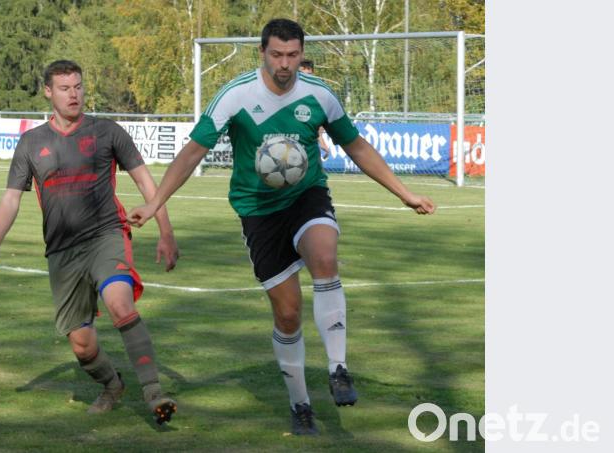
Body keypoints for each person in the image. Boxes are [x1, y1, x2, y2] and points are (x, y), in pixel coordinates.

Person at [127, 19, 435, 435]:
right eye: (277, 55)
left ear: (300, 54)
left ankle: (338, 367)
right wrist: (154, 202)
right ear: (262, 53)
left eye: (292, 56)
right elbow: (192, 152)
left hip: (306, 197)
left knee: (325, 257)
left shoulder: (320, 95)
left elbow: (357, 146)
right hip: (259, 212)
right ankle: (300, 404)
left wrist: (404, 193)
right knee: (288, 315)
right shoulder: (235, 95)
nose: (285, 64)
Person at [0, 60, 180, 425]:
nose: (74, 94)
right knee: (82, 344)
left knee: (120, 304)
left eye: (78, 87)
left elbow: (146, 184)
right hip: (62, 251)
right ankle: (111, 384)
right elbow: (11, 198)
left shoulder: (107, 132)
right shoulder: (32, 142)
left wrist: (165, 231)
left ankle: (154, 393)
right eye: (64, 88)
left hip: (106, 235)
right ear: (48, 91)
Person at [299, 59, 332, 159]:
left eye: (308, 73)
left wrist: (322, 142)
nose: (305, 77)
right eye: (302, 73)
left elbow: (318, 121)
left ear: (312, 73)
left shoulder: (317, 92)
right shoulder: (286, 90)